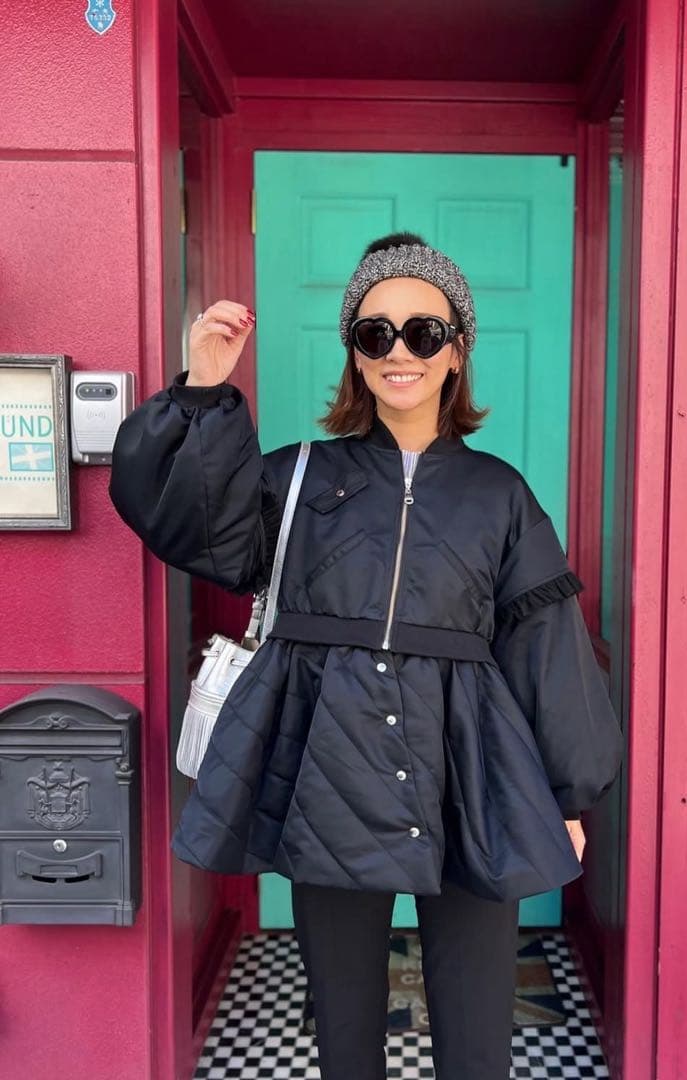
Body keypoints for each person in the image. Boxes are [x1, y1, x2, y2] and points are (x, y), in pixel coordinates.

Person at [108, 231, 624, 1080]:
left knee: (477, 1035)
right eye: (375, 333)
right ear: (355, 353)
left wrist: (569, 790)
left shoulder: (498, 492)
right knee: (345, 1033)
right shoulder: (297, 477)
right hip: (328, 766)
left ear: (457, 350)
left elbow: (546, 642)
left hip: (470, 771)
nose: (400, 352)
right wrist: (203, 388)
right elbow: (179, 518)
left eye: (424, 331)